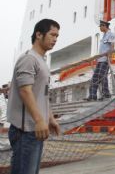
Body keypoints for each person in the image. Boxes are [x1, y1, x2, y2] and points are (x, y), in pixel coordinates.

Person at [7, 18, 61, 173]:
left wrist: (50, 119)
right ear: (39, 34)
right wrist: (39, 120)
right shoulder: (28, 59)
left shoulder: (41, 61)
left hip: (35, 130)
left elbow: (42, 94)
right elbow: (25, 91)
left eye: (57, 36)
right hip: (25, 131)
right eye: (52, 35)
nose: (55, 39)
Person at [85, 20, 115, 101]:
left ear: (104, 26)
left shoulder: (110, 34)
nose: (100, 28)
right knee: (95, 77)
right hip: (100, 60)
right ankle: (92, 95)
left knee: (102, 77)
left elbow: (112, 46)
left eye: (101, 26)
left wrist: (109, 57)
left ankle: (106, 94)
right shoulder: (104, 35)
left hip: (105, 59)